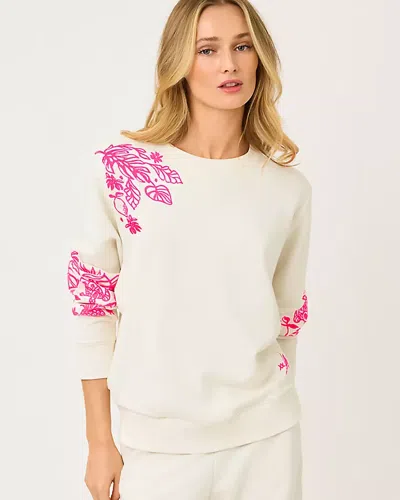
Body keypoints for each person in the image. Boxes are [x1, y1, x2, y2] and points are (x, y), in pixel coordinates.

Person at [66, 0, 312, 498]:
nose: (230, 65)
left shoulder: (287, 189)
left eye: (243, 46)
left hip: (266, 442)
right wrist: (99, 442)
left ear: (260, 58)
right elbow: (93, 306)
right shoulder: (121, 171)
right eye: (208, 50)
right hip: (157, 447)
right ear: (179, 62)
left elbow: (288, 317)